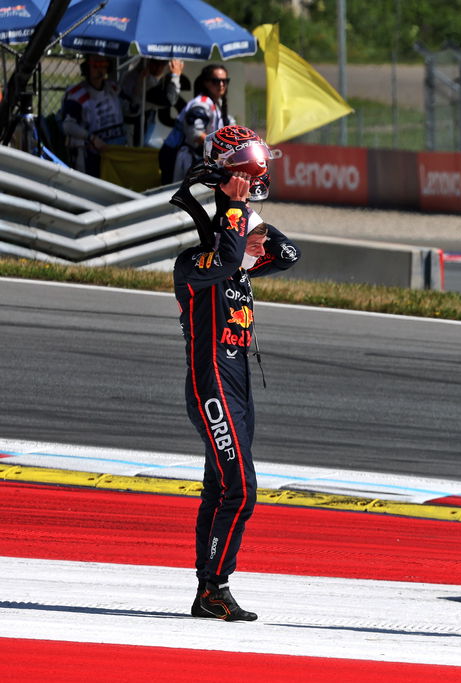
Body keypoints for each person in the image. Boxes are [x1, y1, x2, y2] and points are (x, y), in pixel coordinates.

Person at [174, 125, 301, 621]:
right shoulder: (193, 264)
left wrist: (253, 217)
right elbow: (227, 256)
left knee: (220, 488)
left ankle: (208, 589)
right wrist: (234, 204)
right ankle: (213, 588)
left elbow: (288, 254)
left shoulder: (237, 260)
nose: (249, 234)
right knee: (242, 489)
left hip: (237, 379)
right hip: (211, 381)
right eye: (242, 225)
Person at [160, 63, 235, 185]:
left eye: (225, 81)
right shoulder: (200, 104)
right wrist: (223, 150)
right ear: (206, 82)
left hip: (196, 157)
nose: (221, 84)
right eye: (216, 81)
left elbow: (229, 127)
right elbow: (195, 134)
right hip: (179, 156)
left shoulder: (217, 103)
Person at [60, 55, 127, 177]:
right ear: (86, 68)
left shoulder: (113, 88)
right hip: (88, 155)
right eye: (95, 66)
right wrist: (92, 138)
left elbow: (131, 109)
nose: (100, 70)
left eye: (103, 66)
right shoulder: (77, 94)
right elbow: (67, 126)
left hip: (114, 153)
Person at [120, 58, 188, 147]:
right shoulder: (143, 80)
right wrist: (175, 75)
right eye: (155, 63)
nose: (159, 68)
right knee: (138, 151)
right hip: (135, 124)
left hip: (140, 119)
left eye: (163, 64)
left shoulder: (136, 75)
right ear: (147, 62)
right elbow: (170, 100)